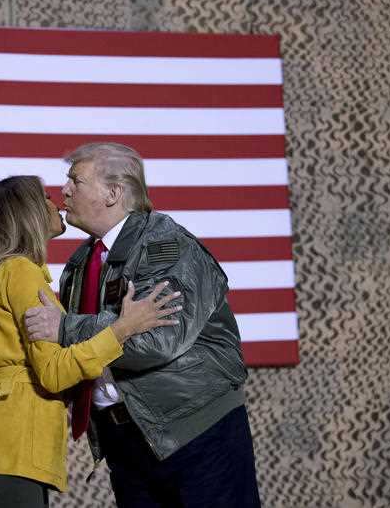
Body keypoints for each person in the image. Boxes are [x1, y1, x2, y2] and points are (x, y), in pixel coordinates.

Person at [24, 142, 261, 508]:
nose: (64, 191)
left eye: (76, 180)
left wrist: (67, 327)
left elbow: (157, 339)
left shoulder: (165, 245)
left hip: (195, 434)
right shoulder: (79, 263)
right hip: (127, 441)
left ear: (113, 193)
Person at [0, 175, 182, 508]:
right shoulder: (20, 272)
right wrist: (122, 328)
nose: (57, 201)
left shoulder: (0, 272)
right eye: (46, 197)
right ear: (29, 212)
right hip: (12, 451)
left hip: (0, 447)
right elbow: (53, 373)